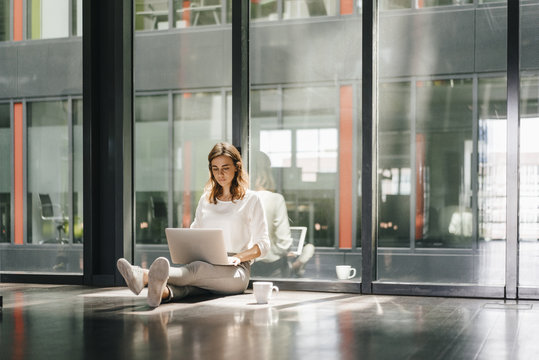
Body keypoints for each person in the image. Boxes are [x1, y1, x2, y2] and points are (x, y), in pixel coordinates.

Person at [117, 142, 270, 307]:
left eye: (225, 168)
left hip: (236, 271)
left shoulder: (251, 199)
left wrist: (237, 257)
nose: (220, 174)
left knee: (196, 270)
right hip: (207, 264)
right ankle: (162, 292)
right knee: (192, 283)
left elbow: (264, 245)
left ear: (237, 168)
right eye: (215, 168)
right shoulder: (206, 199)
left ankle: (144, 276)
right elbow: (195, 233)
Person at [251, 151, 314, 278]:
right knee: (309, 248)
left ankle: (295, 267)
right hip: (273, 268)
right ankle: (296, 267)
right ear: (267, 172)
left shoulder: (238, 199)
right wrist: (284, 251)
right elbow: (284, 241)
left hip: (246, 266)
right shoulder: (275, 199)